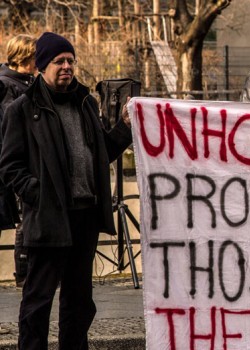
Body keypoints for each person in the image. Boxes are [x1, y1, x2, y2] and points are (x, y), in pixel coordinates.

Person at [0, 32, 132, 350]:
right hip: (47, 217)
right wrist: (39, 195)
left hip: (84, 217)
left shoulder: (85, 103)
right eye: (59, 61)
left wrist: (126, 126)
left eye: (71, 61)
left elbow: (103, 153)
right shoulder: (22, 109)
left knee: (79, 299)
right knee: (38, 301)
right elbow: (9, 166)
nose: (67, 66)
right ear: (43, 65)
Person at [0, 34, 37, 289]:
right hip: (17, 165)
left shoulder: (27, 82)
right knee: (24, 219)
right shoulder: (8, 86)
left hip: (29, 162)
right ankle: (23, 274)